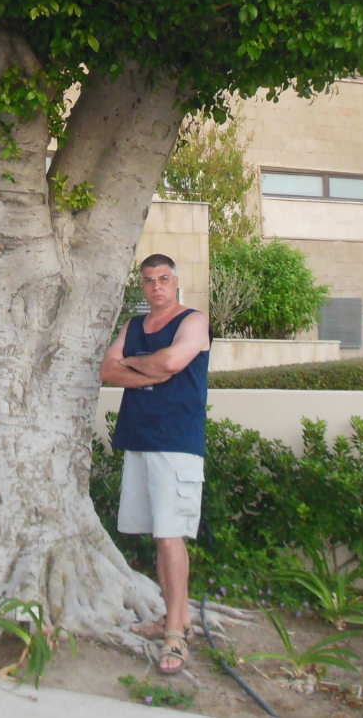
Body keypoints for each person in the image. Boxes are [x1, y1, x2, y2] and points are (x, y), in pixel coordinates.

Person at [100, 253, 210, 675]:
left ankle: (177, 635)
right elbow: (108, 370)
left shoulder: (193, 322)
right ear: (142, 286)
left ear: (176, 281)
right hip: (139, 439)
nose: (157, 286)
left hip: (176, 442)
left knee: (170, 536)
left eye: (164, 279)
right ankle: (172, 618)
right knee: (158, 535)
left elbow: (172, 362)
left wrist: (135, 362)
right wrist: (143, 368)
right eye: (149, 280)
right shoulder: (133, 326)